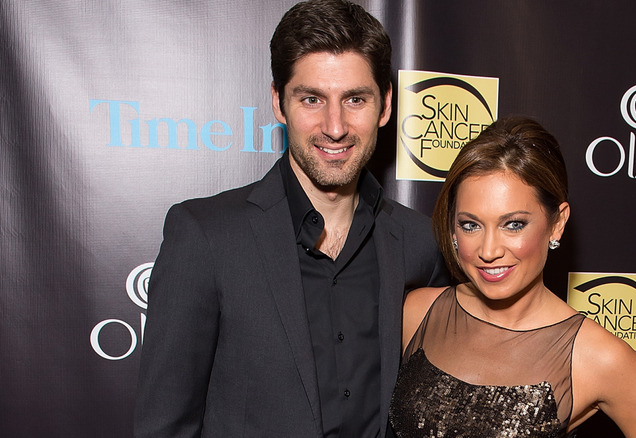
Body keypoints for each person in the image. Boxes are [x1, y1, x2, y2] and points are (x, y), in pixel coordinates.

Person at [133, 1, 449, 436]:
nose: (335, 126)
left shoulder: (420, 243)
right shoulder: (205, 236)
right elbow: (164, 425)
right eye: (312, 99)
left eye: (355, 99)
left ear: (385, 105)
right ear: (279, 103)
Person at [389, 116, 636, 437]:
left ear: (557, 224)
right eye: (471, 225)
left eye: (513, 224)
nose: (488, 250)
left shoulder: (597, 357)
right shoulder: (417, 312)